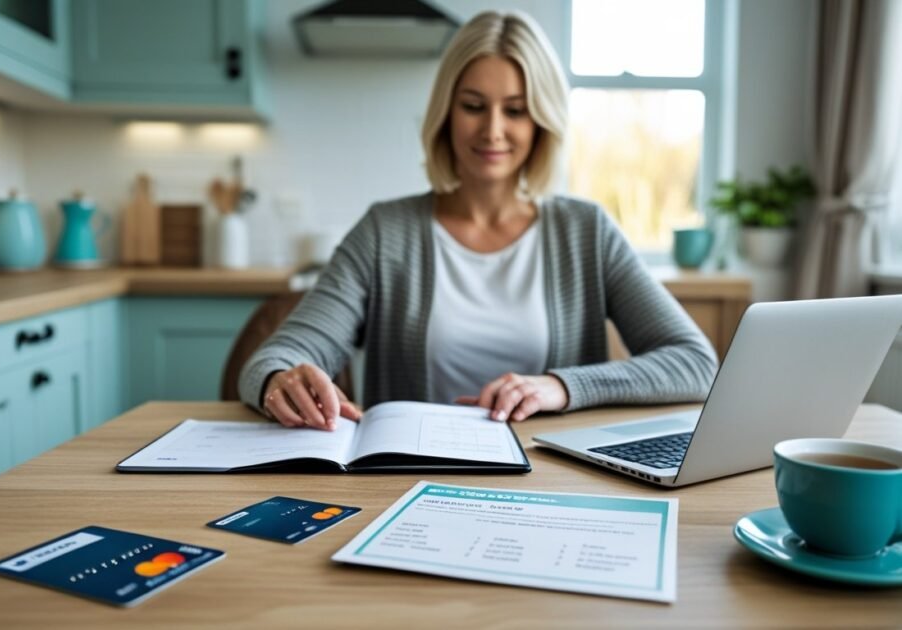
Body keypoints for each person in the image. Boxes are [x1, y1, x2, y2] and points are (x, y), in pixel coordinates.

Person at [239, 11, 717, 431]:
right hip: (406, 479)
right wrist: (279, 381)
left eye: (515, 110)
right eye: (473, 106)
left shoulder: (586, 231)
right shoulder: (385, 233)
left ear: (541, 122)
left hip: (550, 483)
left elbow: (696, 364)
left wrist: (561, 386)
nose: (492, 130)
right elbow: (271, 360)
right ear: (446, 114)